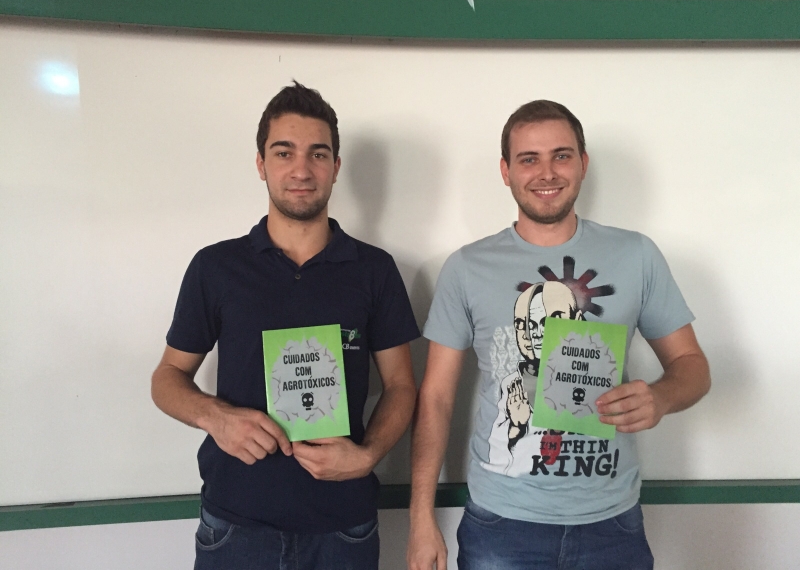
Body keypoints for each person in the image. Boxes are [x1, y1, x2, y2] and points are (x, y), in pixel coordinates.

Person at [407, 100, 710, 570]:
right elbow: (436, 398)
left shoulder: (637, 255)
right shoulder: (466, 268)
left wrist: (662, 397)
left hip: (611, 522)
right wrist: (419, 518)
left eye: (561, 156)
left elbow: (692, 366)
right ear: (506, 171)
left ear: (583, 163)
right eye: (528, 159)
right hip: (501, 524)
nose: (546, 173)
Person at [151, 81, 419, 570]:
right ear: (261, 164)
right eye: (284, 152)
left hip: (344, 527)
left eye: (318, 154)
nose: (301, 169)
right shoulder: (216, 267)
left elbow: (401, 385)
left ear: (336, 166)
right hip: (236, 526)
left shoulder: (374, 270)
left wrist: (367, 456)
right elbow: (167, 378)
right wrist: (215, 417)